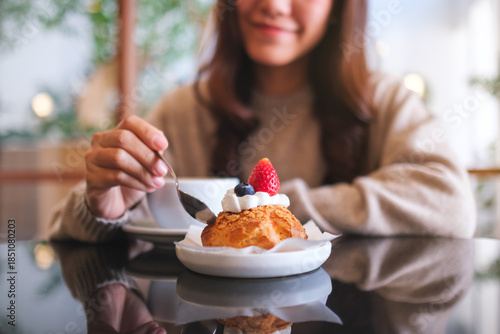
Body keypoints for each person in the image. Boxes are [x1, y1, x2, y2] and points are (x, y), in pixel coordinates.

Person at [49, 0, 476, 243]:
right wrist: (100, 210)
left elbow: (448, 202)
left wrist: (266, 211)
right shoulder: (181, 112)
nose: (272, 5)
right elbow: (60, 238)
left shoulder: (381, 102)